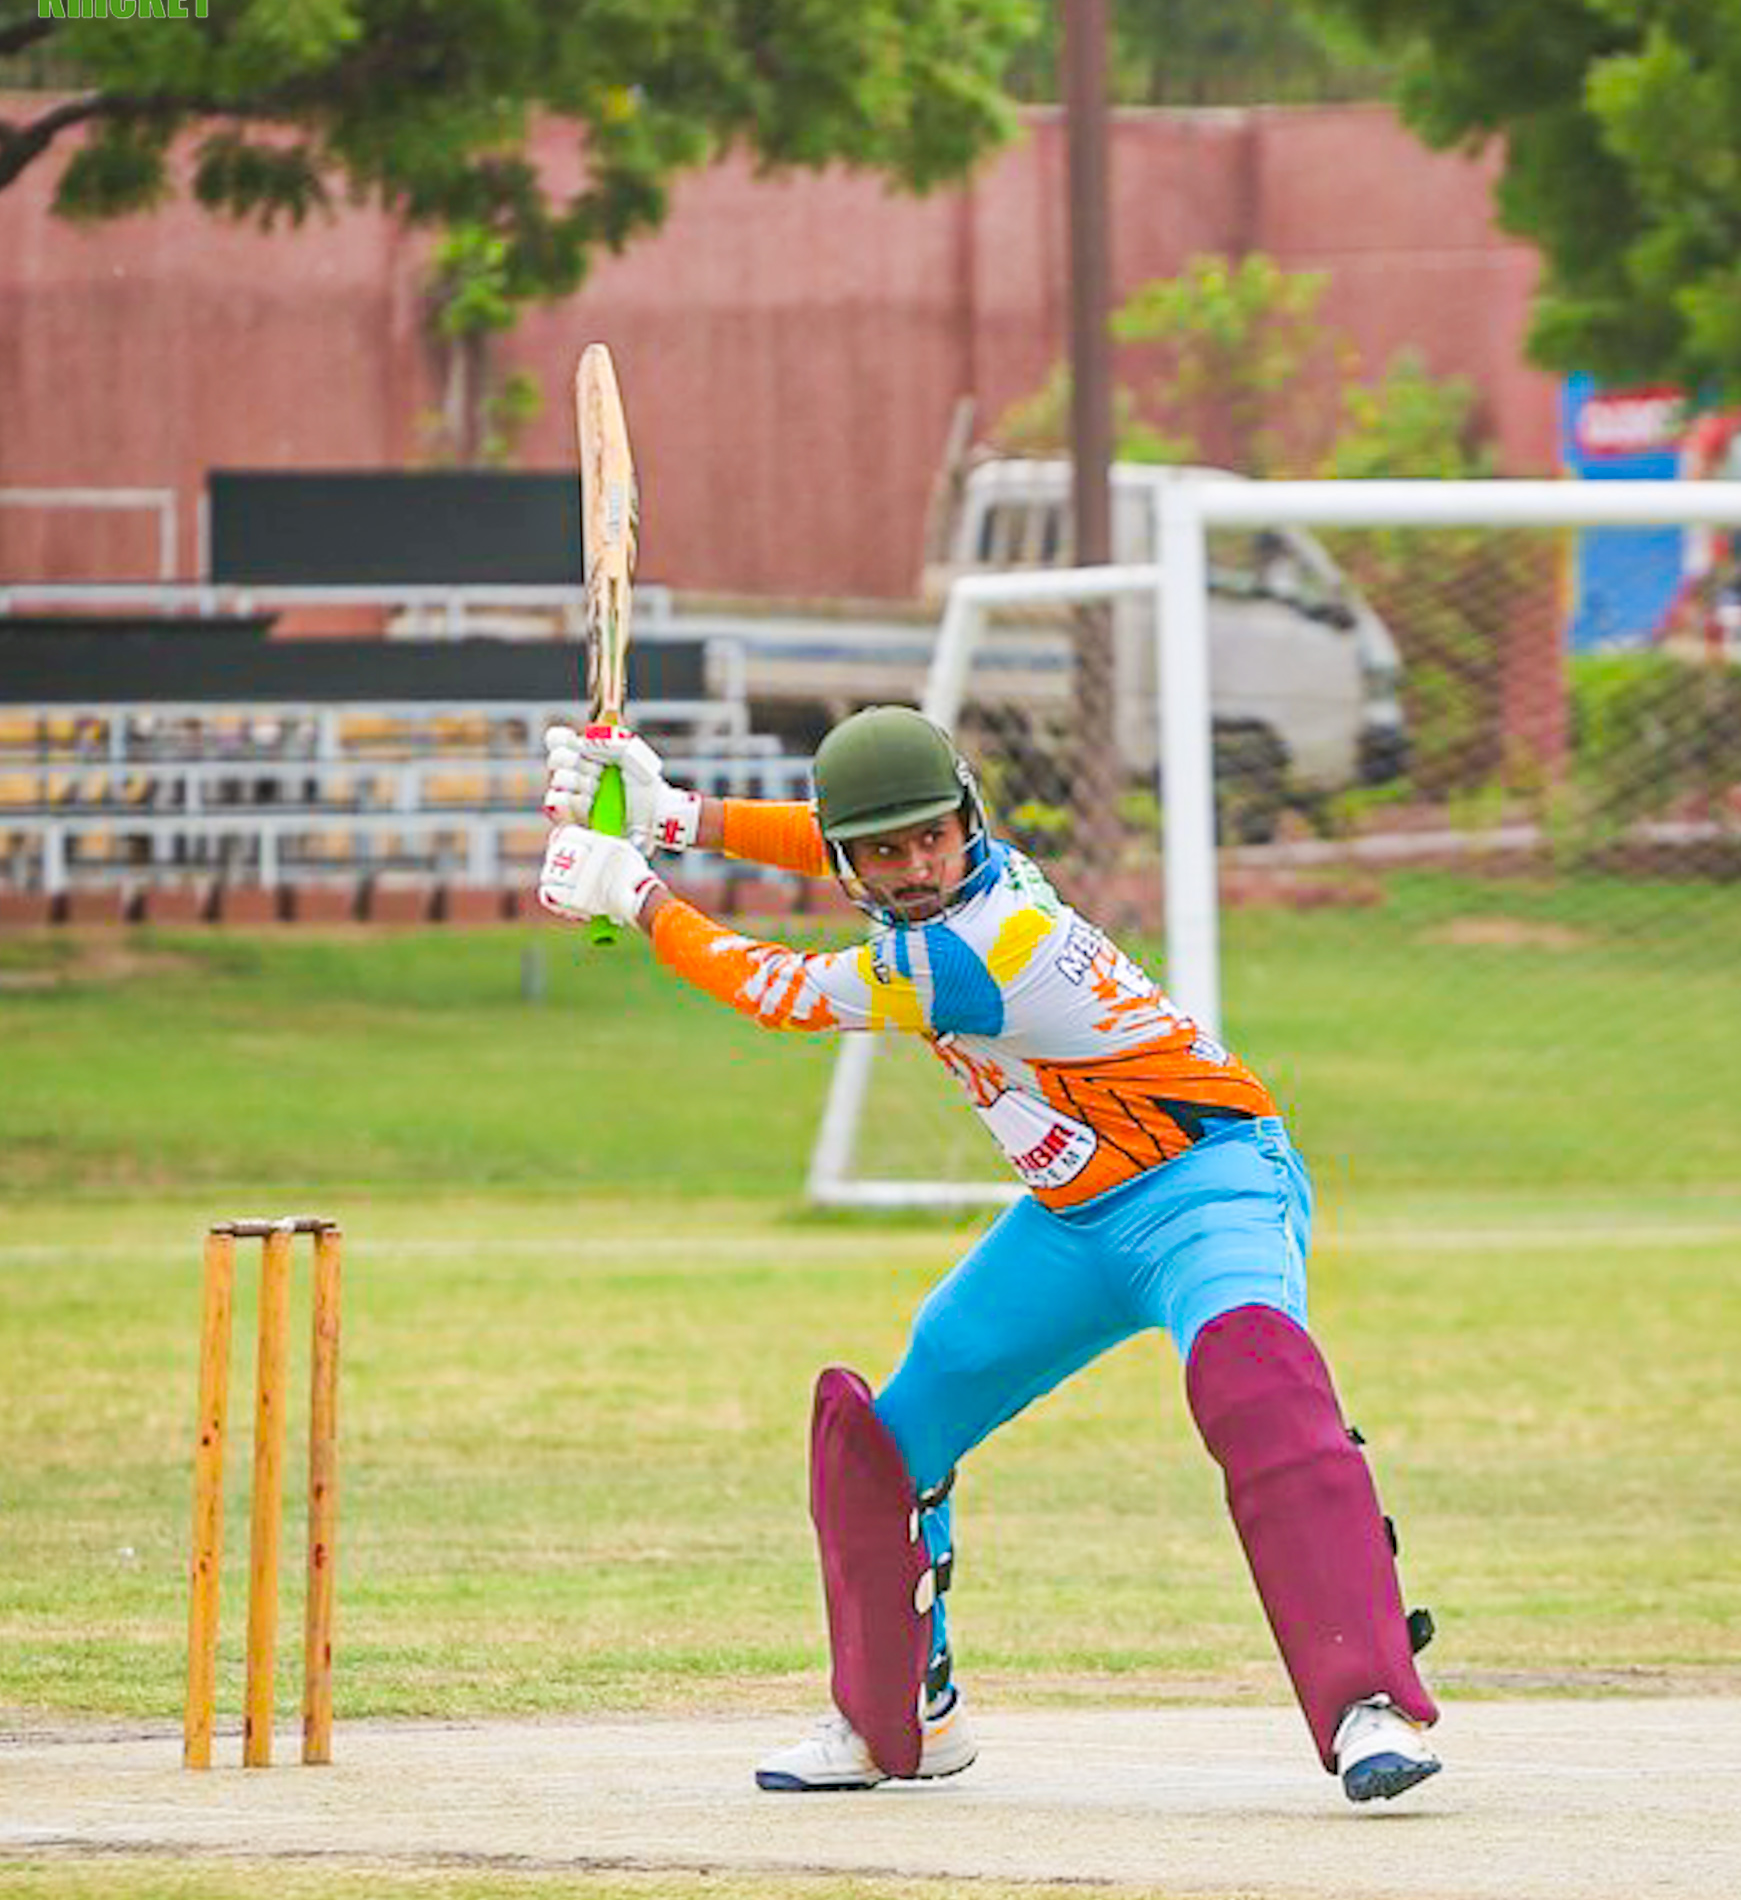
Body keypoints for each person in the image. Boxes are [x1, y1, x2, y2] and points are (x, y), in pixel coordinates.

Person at [535, 705, 1440, 1802]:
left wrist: (634, 893)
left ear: (965, 821)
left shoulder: (975, 947)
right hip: (1073, 1220)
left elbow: (780, 995)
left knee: (1251, 1380)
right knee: (883, 1444)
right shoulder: (958, 874)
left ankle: (1367, 1704)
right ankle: (904, 1717)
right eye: (886, 851)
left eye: (931, 837)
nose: (917, 866)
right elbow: (830, 837)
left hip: (1211, 1184)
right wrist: (678, 814)